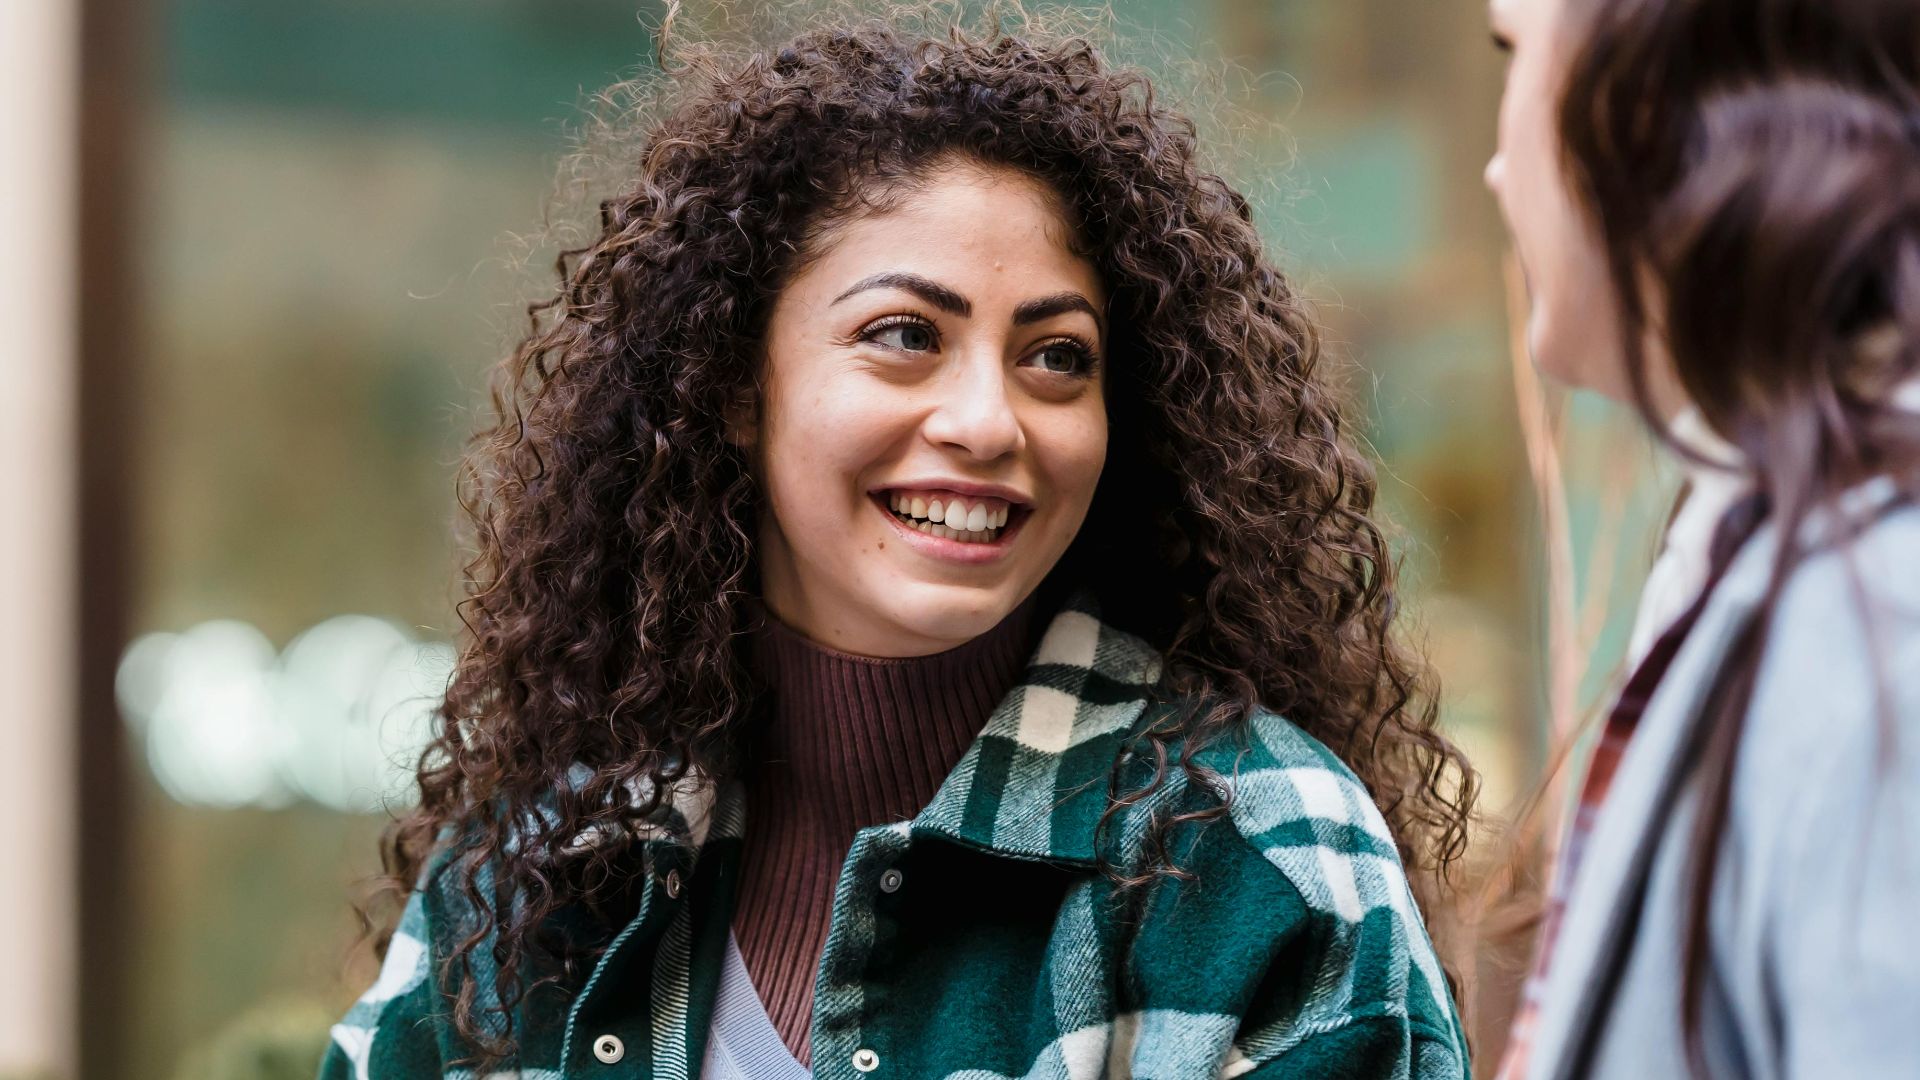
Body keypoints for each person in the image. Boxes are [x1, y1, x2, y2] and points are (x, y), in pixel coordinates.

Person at [319, 9, 1476, 1078]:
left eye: (1058, 355)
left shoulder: (1258, 856)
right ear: (736, 384)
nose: (986, 420)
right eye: (902, 335)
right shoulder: (539, 869)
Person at [1485, 0, 1920, 1076]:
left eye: (1514, 53)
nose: (1497, 168)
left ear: (1648, 95)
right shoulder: (1783, 557)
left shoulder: (1882, 624)